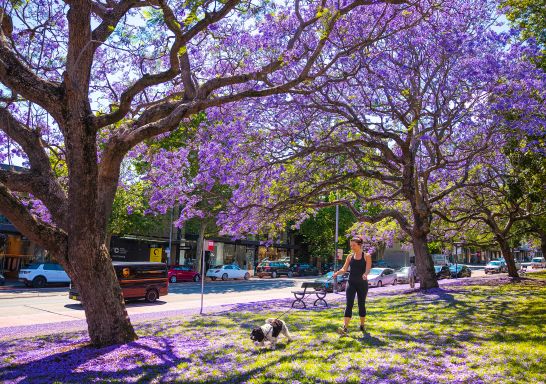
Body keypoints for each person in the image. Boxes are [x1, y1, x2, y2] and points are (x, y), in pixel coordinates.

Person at [333, 236, 372, 336]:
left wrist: (365, 274)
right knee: (349, 304)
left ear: (360, 245)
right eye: (351, 245)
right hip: (351, 282)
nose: (352, 247)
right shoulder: (350, 256)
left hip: (362, 283)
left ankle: (362, 325)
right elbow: (344, 269)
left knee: (361, 304)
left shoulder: (366, 256)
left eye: (354, 245)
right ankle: (345, 328)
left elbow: (368, 268)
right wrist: (337, 273)